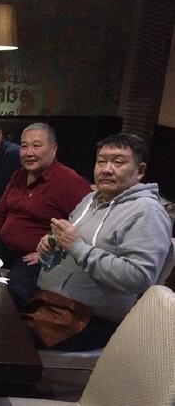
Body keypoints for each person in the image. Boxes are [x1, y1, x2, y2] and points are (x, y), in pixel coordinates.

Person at [27, 133, 172, 351]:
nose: (107, 169)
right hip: (49, 300)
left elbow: (140, 277)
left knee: (8, 338)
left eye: (118, 162)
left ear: (140, 171)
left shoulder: (147, 212)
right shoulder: (91, 199)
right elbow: (70, 241)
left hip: (86, 318)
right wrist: (51, 243)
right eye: (101, 161)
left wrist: (76, 246)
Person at [0, 123, 91, 309]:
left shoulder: (70, 182)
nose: (29, 152)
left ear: (54, 148)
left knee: (11, 295)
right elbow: (0, 211)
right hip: (4, 246)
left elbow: (85, 225)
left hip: (33, 258)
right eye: (24, 146)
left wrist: (50, 254)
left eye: (37, 146)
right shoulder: (20, 174)